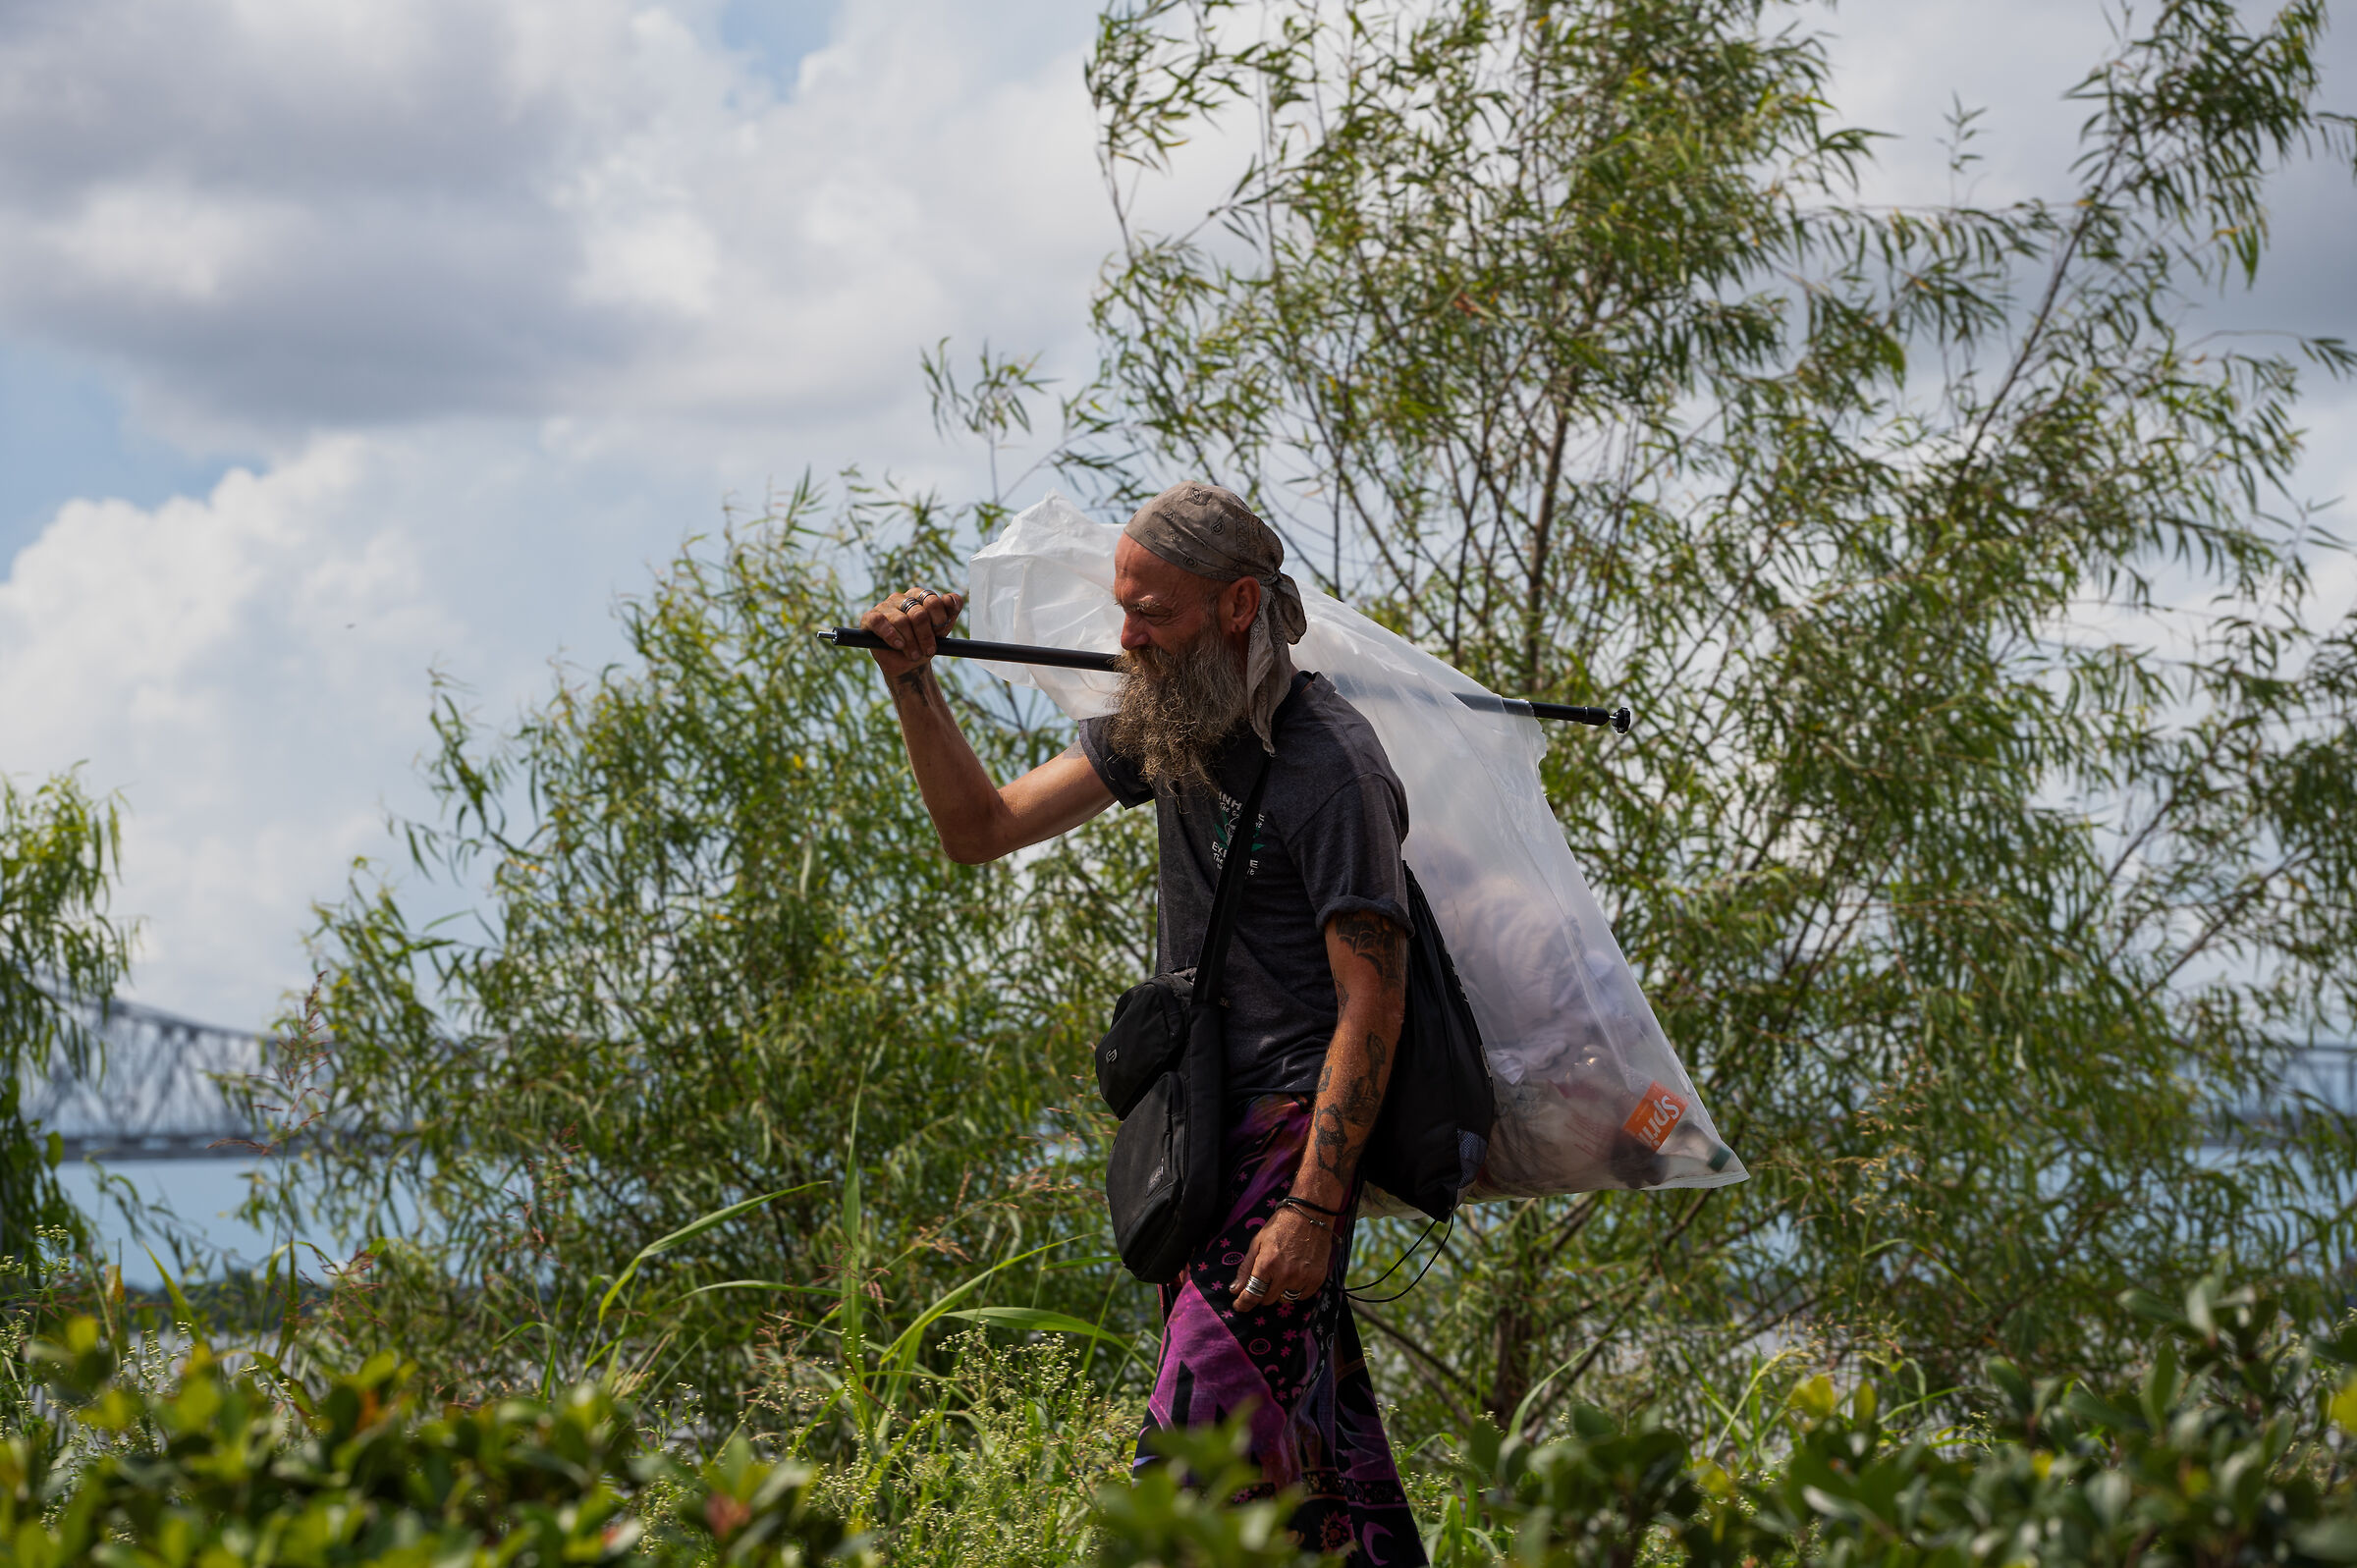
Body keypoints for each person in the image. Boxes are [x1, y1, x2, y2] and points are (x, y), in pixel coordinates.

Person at [858, 480, 1427, 1565]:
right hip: (1199, 1140)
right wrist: (912, 681)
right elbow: (982, 829)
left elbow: (1375, 997)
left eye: (1152, 613)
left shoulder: (1332, 764)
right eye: (1123, 610)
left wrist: (1314, 1205)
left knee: (1192, 1451)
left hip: (1287, 1145)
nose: (1126, 638)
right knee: (1298, 1456)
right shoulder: (1165, 725)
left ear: (1239, 605)